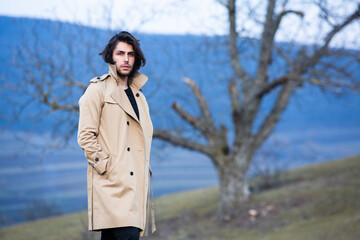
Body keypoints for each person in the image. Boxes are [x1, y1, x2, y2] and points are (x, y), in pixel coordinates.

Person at [77, 31, 155, 240]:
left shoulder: (139, 95)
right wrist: (105, 165)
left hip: (134, 184)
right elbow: (85, 135)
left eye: (130, 54)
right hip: (111, 182)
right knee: (128, 234)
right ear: (111, 56)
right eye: (120, 53)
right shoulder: (97, 90)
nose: (126, 59)